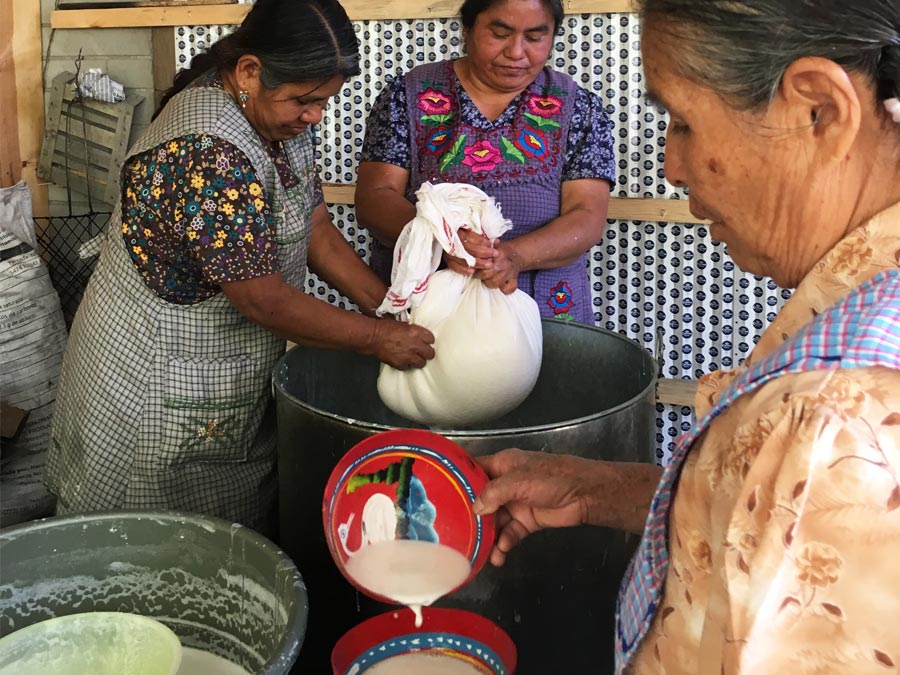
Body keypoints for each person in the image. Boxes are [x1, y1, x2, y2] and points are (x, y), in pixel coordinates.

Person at [473, 1, 900, 673]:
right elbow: (764, 519)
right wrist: (600, 489)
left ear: (819, 108)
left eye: (682, 120)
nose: (671, 164)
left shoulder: (837, 422)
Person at [44, 0, 435, 534]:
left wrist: (390, 305)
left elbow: (315, 227)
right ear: (249, 70)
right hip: (152, 379)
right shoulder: (207, 150)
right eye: (305, 100)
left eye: (325, 101)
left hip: (212, 370)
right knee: (148, 545)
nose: (316, 114)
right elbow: (262, 298)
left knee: (218, 547)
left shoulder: (278, 116)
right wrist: (375, 338)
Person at [355, 0, 615, 324]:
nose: (516, 52)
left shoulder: (580, 108)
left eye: (534, 37)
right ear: (468, 29)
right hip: (427, 318)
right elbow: (374, 196)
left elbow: (587, 215)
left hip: (546, 317)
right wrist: (444, 239)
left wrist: (515, 256)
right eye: (500, 33)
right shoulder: (406, 96)